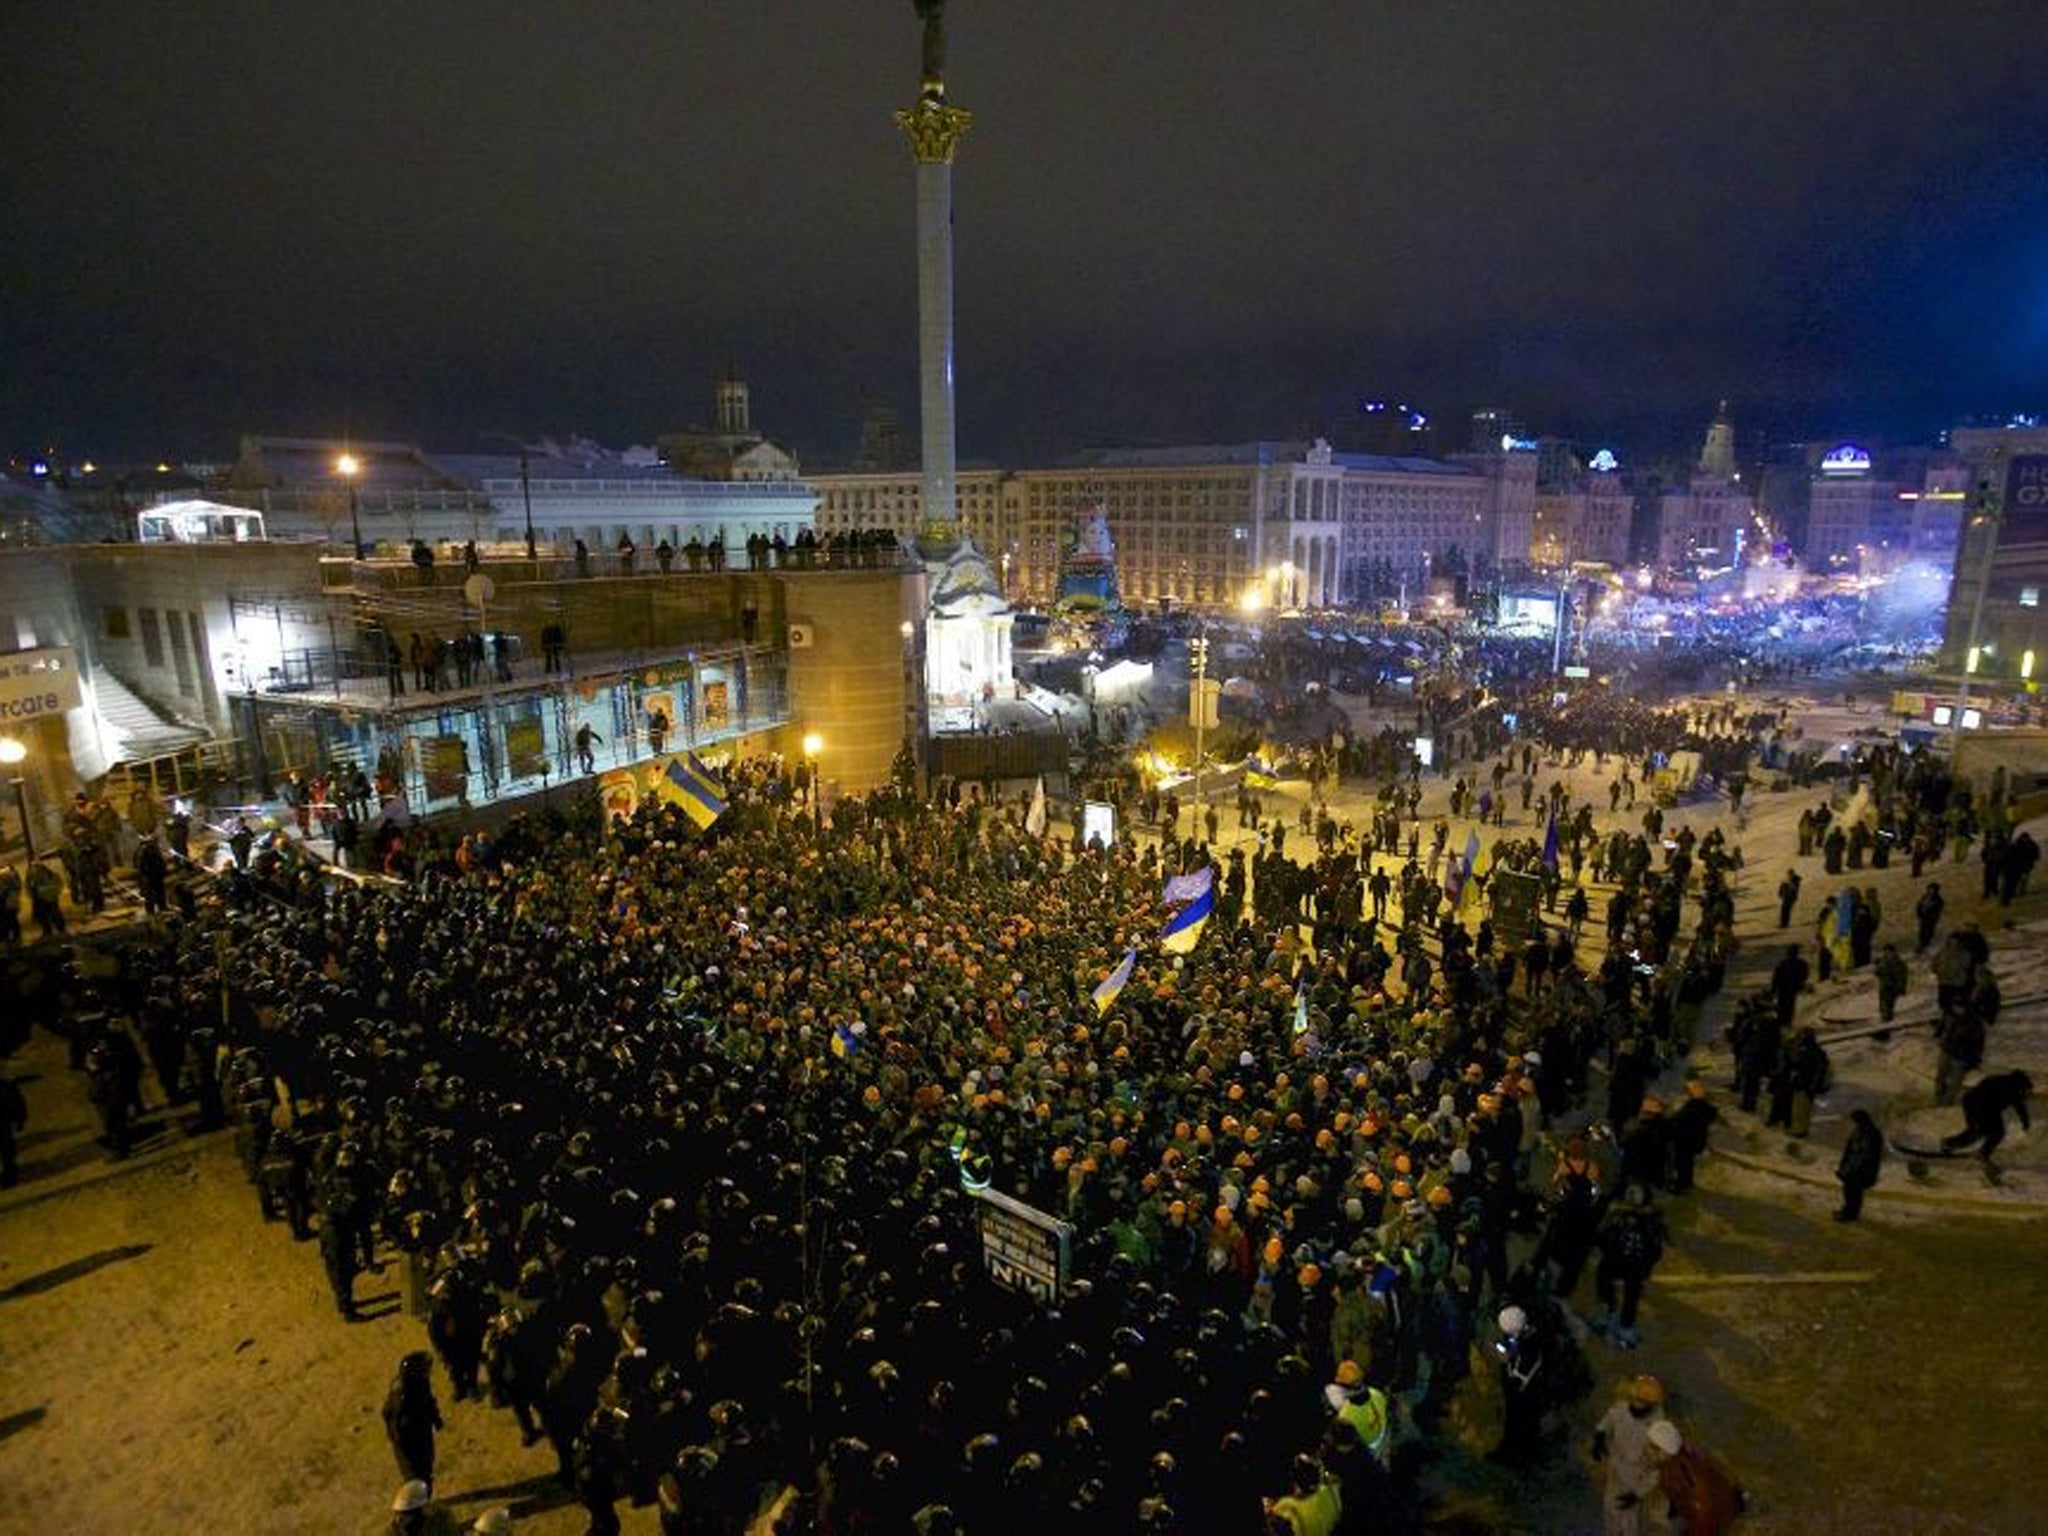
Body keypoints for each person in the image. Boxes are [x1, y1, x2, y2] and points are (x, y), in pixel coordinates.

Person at [1590, 1373, 1666, 1536]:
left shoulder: (1657, 1431)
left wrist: (1638, 1493)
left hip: (1635, 1481)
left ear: (1651, 1406)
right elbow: (1609, 1420)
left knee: (1632, 1525)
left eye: (1640, 1404)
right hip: (1616, 1473)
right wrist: (1599, 1437)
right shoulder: (1622, 1409)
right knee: (1611, 1514)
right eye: (1634, 1401)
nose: (1634, 1407)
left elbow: (1658, 1470)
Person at [1594, 1183, 1665, 1350]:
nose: (1632, 1195)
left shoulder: (1651, 1220)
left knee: (1632, 1293)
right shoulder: (1617, 1214)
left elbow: (1655, 1249)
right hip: (1615, 1260)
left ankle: (1626, 1326)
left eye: (1636, 1192)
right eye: (1630, 1192)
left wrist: (1646, 1267)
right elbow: (1601, 1236)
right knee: (1603, 1277)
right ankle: (1609, 1312)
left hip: (1635, 1266)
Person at [1648, 1418, 1746, 1534]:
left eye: (1652, 1448)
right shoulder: (1684, 1455)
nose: (1648, 1451)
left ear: (1664, 1451)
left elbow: (1704, 1515)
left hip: (1712, 1516)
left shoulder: (1685, 1479)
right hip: (1720, 1505)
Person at [1940, 1070, 2033, 1165]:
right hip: (1982, 1105)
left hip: (1972, 1101)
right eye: (2026, 1091)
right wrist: (2025, 1121)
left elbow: (2018, 1105)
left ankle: (1949, 1143)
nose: (2025, 1094)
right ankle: (1983, 1153)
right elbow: (2019, 1106)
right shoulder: (2012, 1088)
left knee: (1977, 1131)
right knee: (1995, 1132)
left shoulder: (2001, 1079)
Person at [384, 1351, 445, 1488]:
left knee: (427, 1464)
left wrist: (435, 1418)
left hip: (422, 1429)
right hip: (409, 1440)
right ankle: (419, 1501)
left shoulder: (420, 1382)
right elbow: (395, 1426)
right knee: (415, 1474)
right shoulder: (401, 1398)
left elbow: (428, 1400)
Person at [1835, 1109, 1883, 1222]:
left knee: (1854, 1193)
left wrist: (1848, 1169)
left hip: (1860, 1171)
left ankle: (1851, 1214)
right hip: (1856, 1169)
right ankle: (1847, 1210)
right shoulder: (1862, 1131)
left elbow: (1863, 1155)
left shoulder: (1869, 1133)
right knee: (1849, 1192)